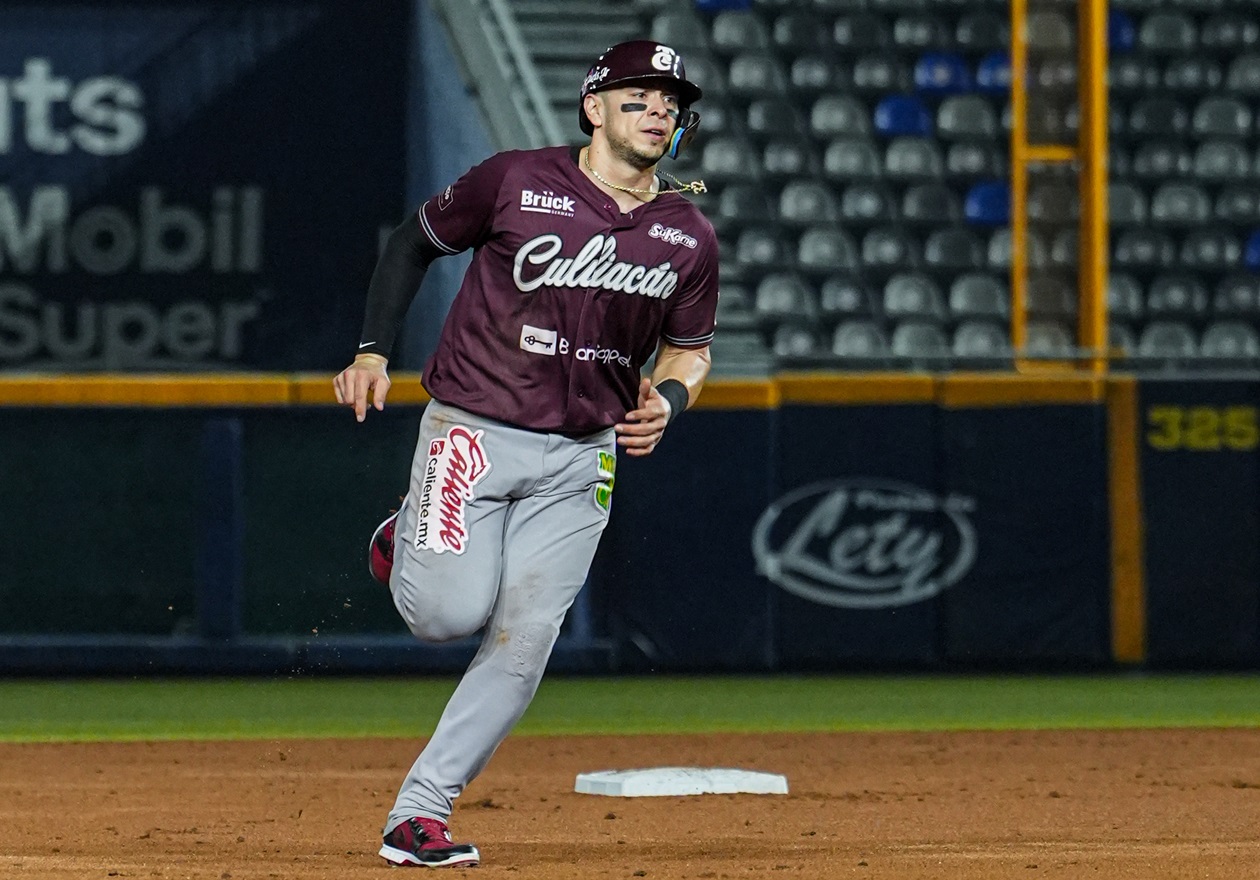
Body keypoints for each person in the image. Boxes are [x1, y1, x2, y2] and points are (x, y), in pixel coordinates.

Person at [332, 39, 719, 868]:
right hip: (475, 428)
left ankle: (419, 812)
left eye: (670, 102)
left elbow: (692, 348)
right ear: (594, 107)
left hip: (586, 456)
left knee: (526, 635)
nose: (658, 110)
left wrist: (674, 398)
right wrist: (371, 351)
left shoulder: (685, 233)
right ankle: (402, 536)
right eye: (639, 94)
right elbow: (411, 243)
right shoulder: (514, 180)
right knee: (444, 618)